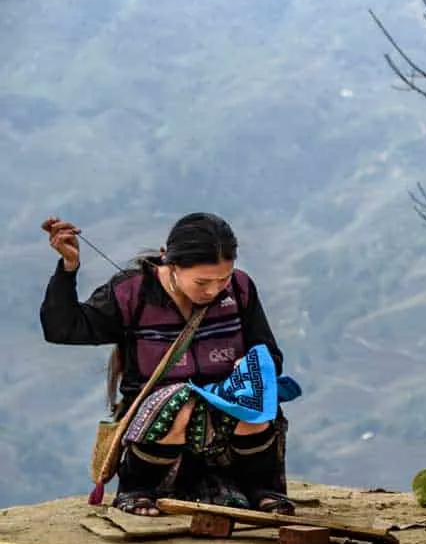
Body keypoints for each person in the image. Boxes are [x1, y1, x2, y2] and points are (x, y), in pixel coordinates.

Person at [40, 213, 296, 516]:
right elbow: (63, 329)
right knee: (179, 402)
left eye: (222, 279)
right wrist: (69, 269)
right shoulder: (131, 293)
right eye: (202, 282)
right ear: (170, 264)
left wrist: (254, 366)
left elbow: (268, 351)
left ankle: (261, 490)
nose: (214, 290)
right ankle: (138, 489)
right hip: (160, 417)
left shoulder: (240, 289)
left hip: (226, 413)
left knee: (254, 400)